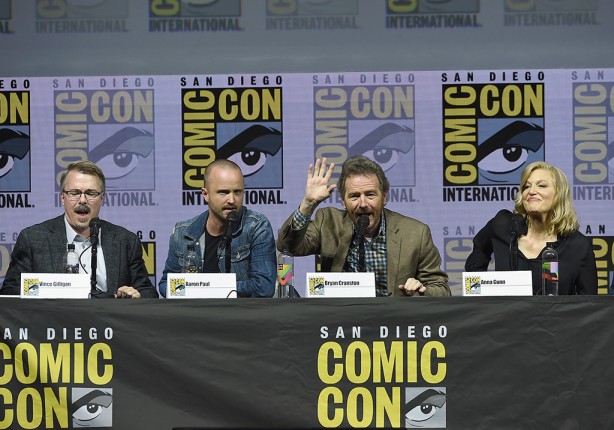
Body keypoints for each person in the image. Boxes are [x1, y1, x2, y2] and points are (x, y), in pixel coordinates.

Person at [277, 156, 450, 297]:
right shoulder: (328, 222)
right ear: (343, 201)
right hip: (340, 319)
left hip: (393, 321)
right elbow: (287, 247)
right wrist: (307, 205)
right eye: (354, 196)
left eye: (370, 194)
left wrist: (420, 291)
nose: (363, 203)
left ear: (384, 197)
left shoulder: (415, 233)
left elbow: (441, 289)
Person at [0, 161, 158, 298]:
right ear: (62, 198)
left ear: (102, 198)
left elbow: (148, 293)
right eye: (74, 193)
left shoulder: (126, 241)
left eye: (91, 193)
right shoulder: (33, 239)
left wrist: (134, 296)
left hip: (107, 322)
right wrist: (45, 290)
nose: (82, 200)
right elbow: (10, 292)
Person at [465, 161, 597, 295]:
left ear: (559, 194)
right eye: (526, 186)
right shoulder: (503, 226)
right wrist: (479, 296)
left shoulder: (578, 245)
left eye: (542, 185)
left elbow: (589, 303)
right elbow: (479, 252)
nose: (532, 191)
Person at [158, 159, 276, 298]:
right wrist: (209, 288)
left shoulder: (256, 227)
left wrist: (203, 288)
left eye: (237, 192)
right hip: (197, 311)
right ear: (205, 194)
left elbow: (263, 287)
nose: (232, 200)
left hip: (240, 311)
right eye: (223, 192)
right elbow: (166, 285)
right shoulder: (183, 233)